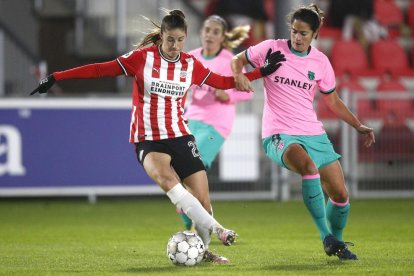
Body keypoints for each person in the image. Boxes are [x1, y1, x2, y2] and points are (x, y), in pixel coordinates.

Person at [30, 9, 285, 263]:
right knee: (166, 179)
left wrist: (261, 72)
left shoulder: (190, 64)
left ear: (186, 38)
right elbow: (99, 69)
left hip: (180, 135)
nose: (174, 45)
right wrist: (56, 77)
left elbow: (224, 82)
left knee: (204, 202)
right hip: (149, 138)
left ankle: (204, 250)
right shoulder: (142, 58)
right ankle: (220, 229)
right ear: (161, 36)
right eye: (170, 39)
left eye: (180, 40)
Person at [231, 4, 375, 260]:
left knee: (341, 195)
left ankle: (338, 242)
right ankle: (325, 236)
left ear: (315, 34)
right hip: (279, 134)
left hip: (313, 132)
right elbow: (237, 59)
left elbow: (333, 101)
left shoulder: (320, 61)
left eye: (303, 33)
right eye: (294, 31)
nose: (297, 37)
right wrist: (239, 75)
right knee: (309, 168)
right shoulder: (271, 47)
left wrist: (357, 124)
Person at [175, 15, 252, 231]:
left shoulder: (229, 61)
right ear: (200, 32)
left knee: (192, 169)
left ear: (222, 37)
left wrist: (229, 96)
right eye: (207, 30)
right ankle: (197, 227)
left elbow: (246, 92)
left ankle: (195, 232)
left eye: (215, 32)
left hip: (216, 124)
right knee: (181, 177)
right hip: (192, 119)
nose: (210, 34)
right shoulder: (190, 58)